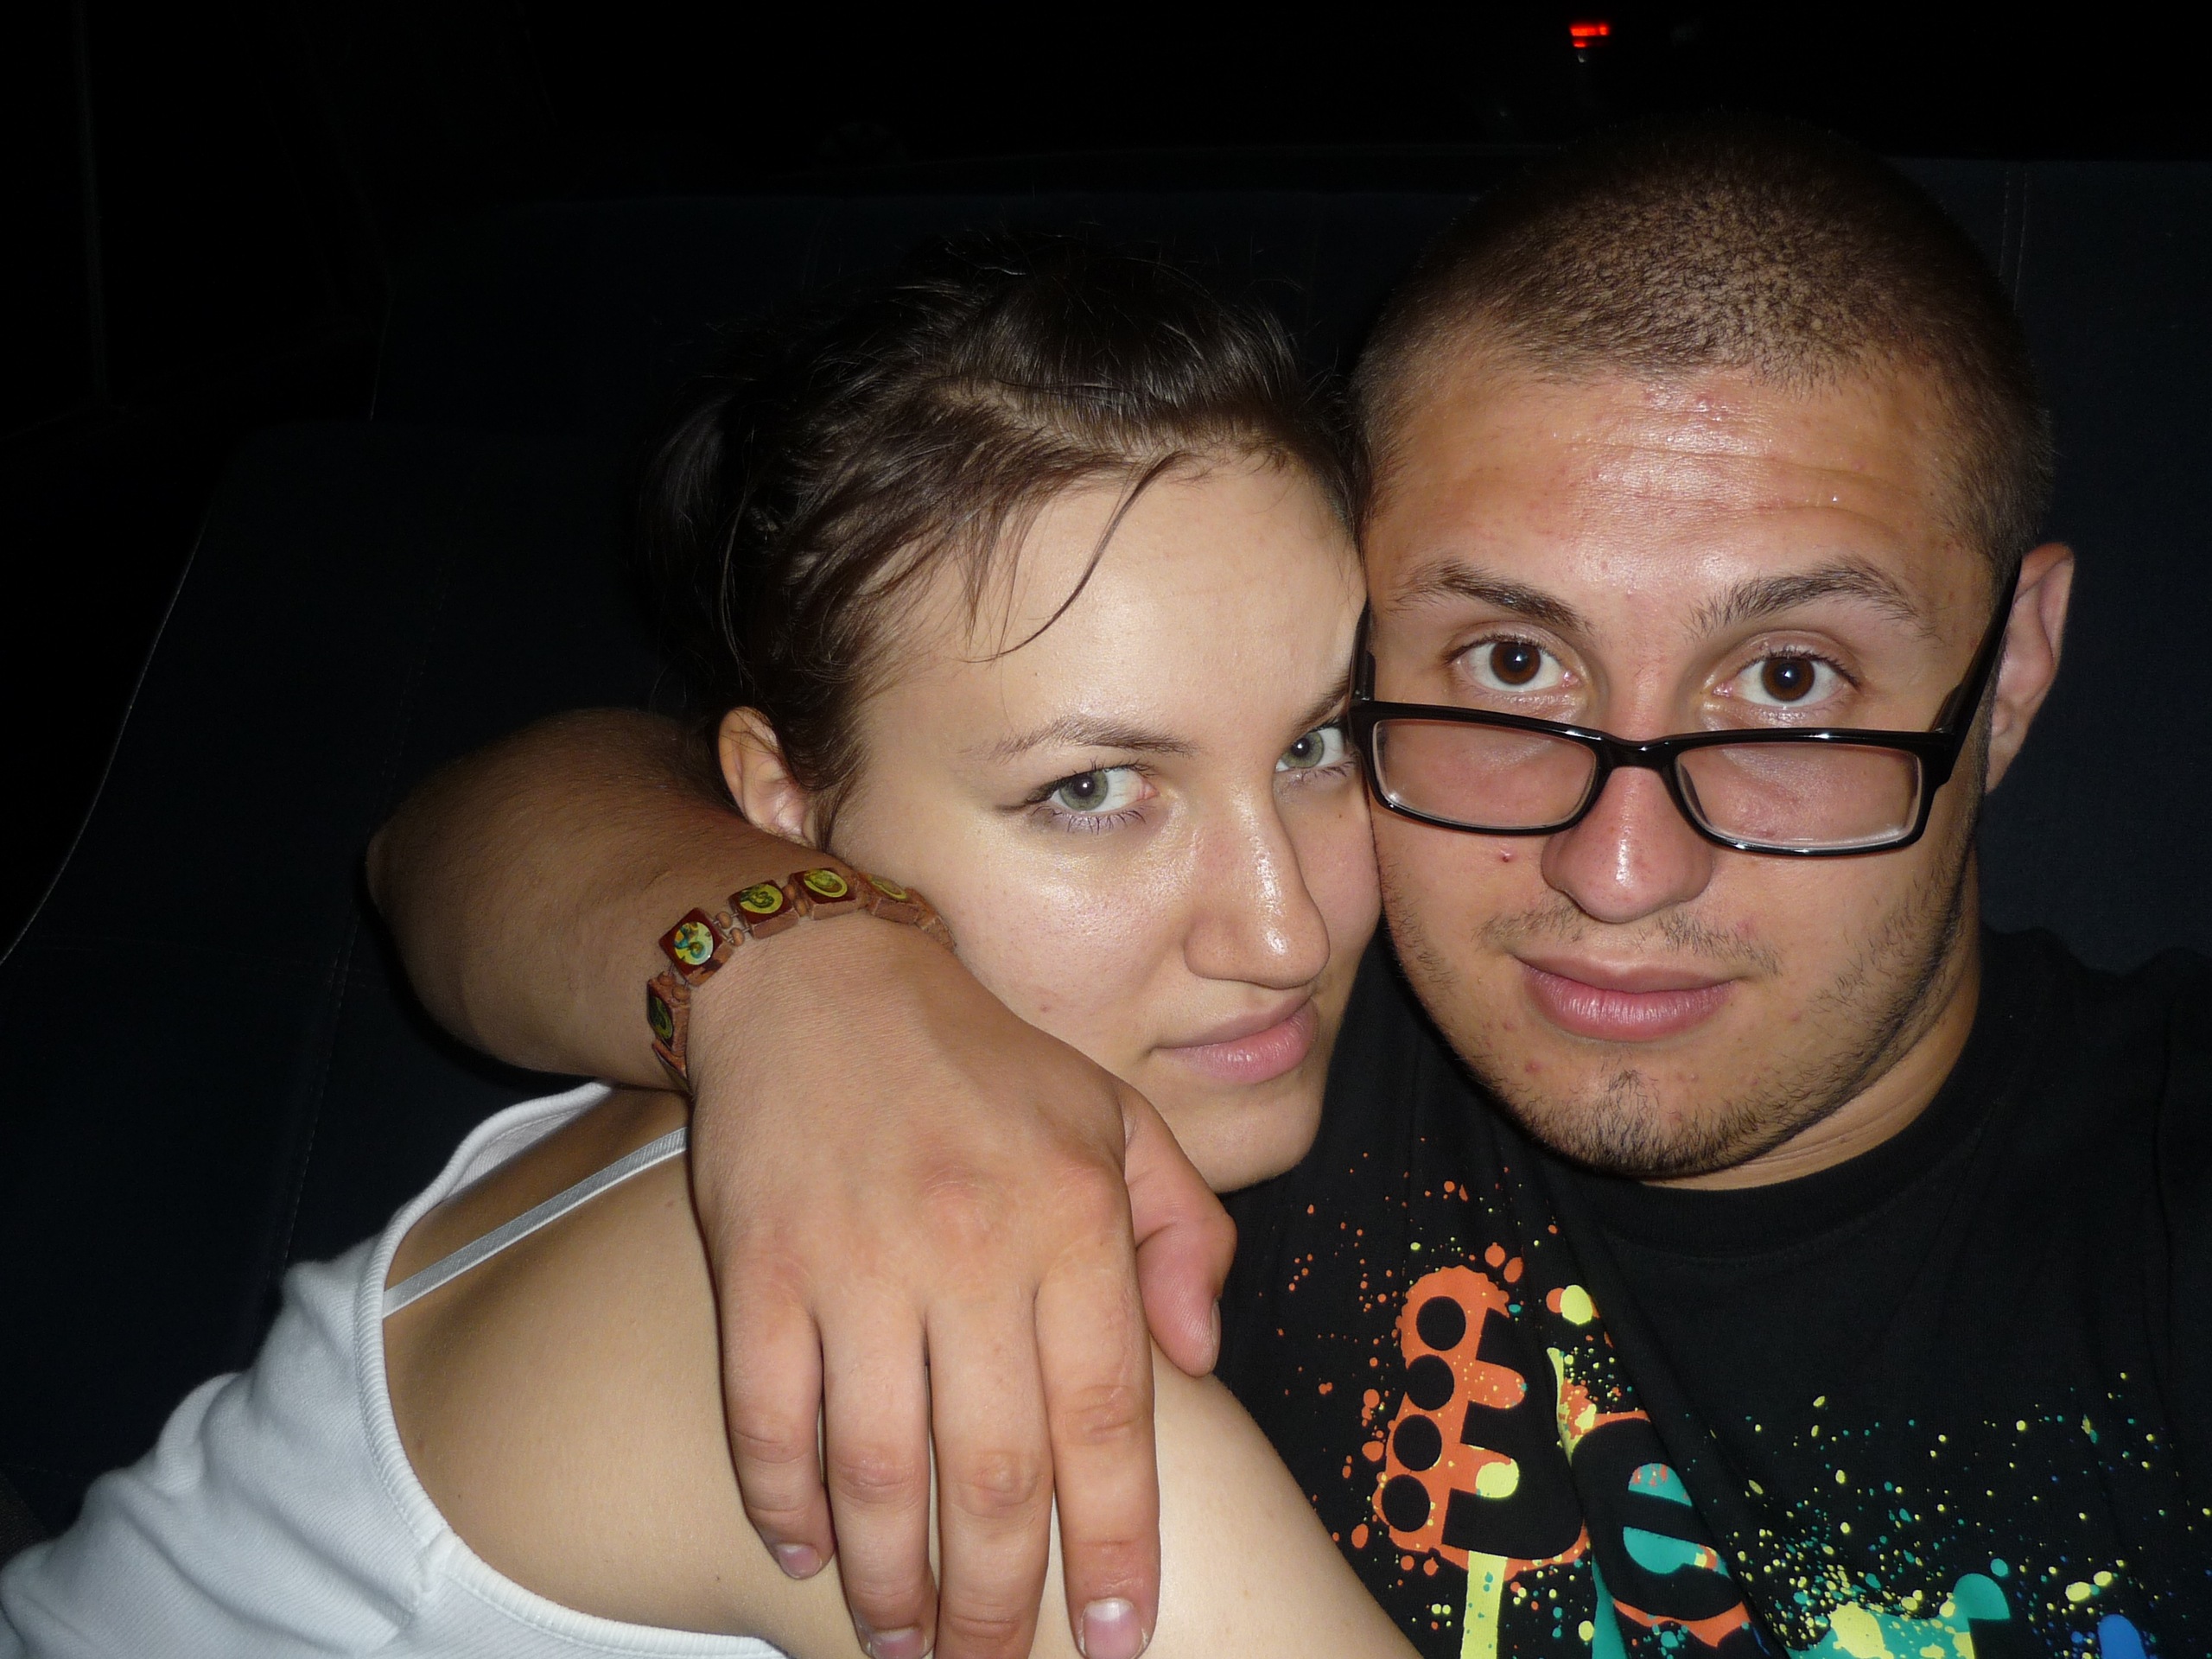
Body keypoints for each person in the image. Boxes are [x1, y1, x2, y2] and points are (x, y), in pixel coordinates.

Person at [352, 118, 2212, 1659]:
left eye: (1788, 681)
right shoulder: (1200, 1039)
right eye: (1508, 667)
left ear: (2012, 673)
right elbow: (473, 828)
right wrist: (802, 976)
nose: (1617, 871)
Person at [0, 238, 1421, 1659]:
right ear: (782, 808)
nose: (1286, 928)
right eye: (1090, 790)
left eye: (1316, 744)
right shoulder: (885, 1322)